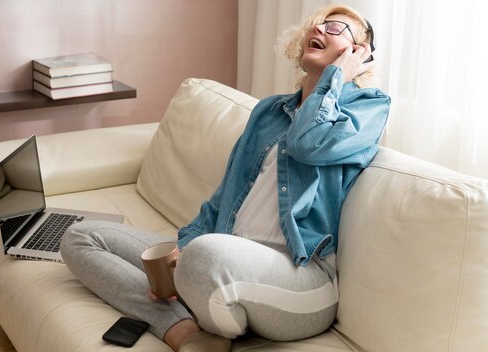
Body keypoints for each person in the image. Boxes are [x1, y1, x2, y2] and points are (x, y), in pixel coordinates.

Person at [60, 4, 390, 352]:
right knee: (81, 236)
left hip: (301, 279)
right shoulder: (269, 111)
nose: (320, 29)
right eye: (316, 24)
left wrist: (335, 78)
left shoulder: (369, 108)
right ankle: (181, 327)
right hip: (223, 257)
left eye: (336, 28)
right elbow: (224, 197)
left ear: (359, 53)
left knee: (203, 255)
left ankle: (197, 291)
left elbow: (307, 144)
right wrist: (180, 253)